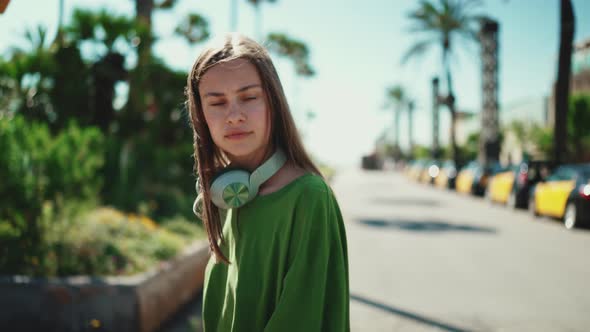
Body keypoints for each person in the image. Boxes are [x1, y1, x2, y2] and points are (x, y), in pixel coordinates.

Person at [185, 33, 350, 332]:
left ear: (273, 102)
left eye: (249, 97)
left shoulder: (309, 198)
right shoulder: (229, 197)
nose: (234, 116)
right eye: (217, 103)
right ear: (201, 117)